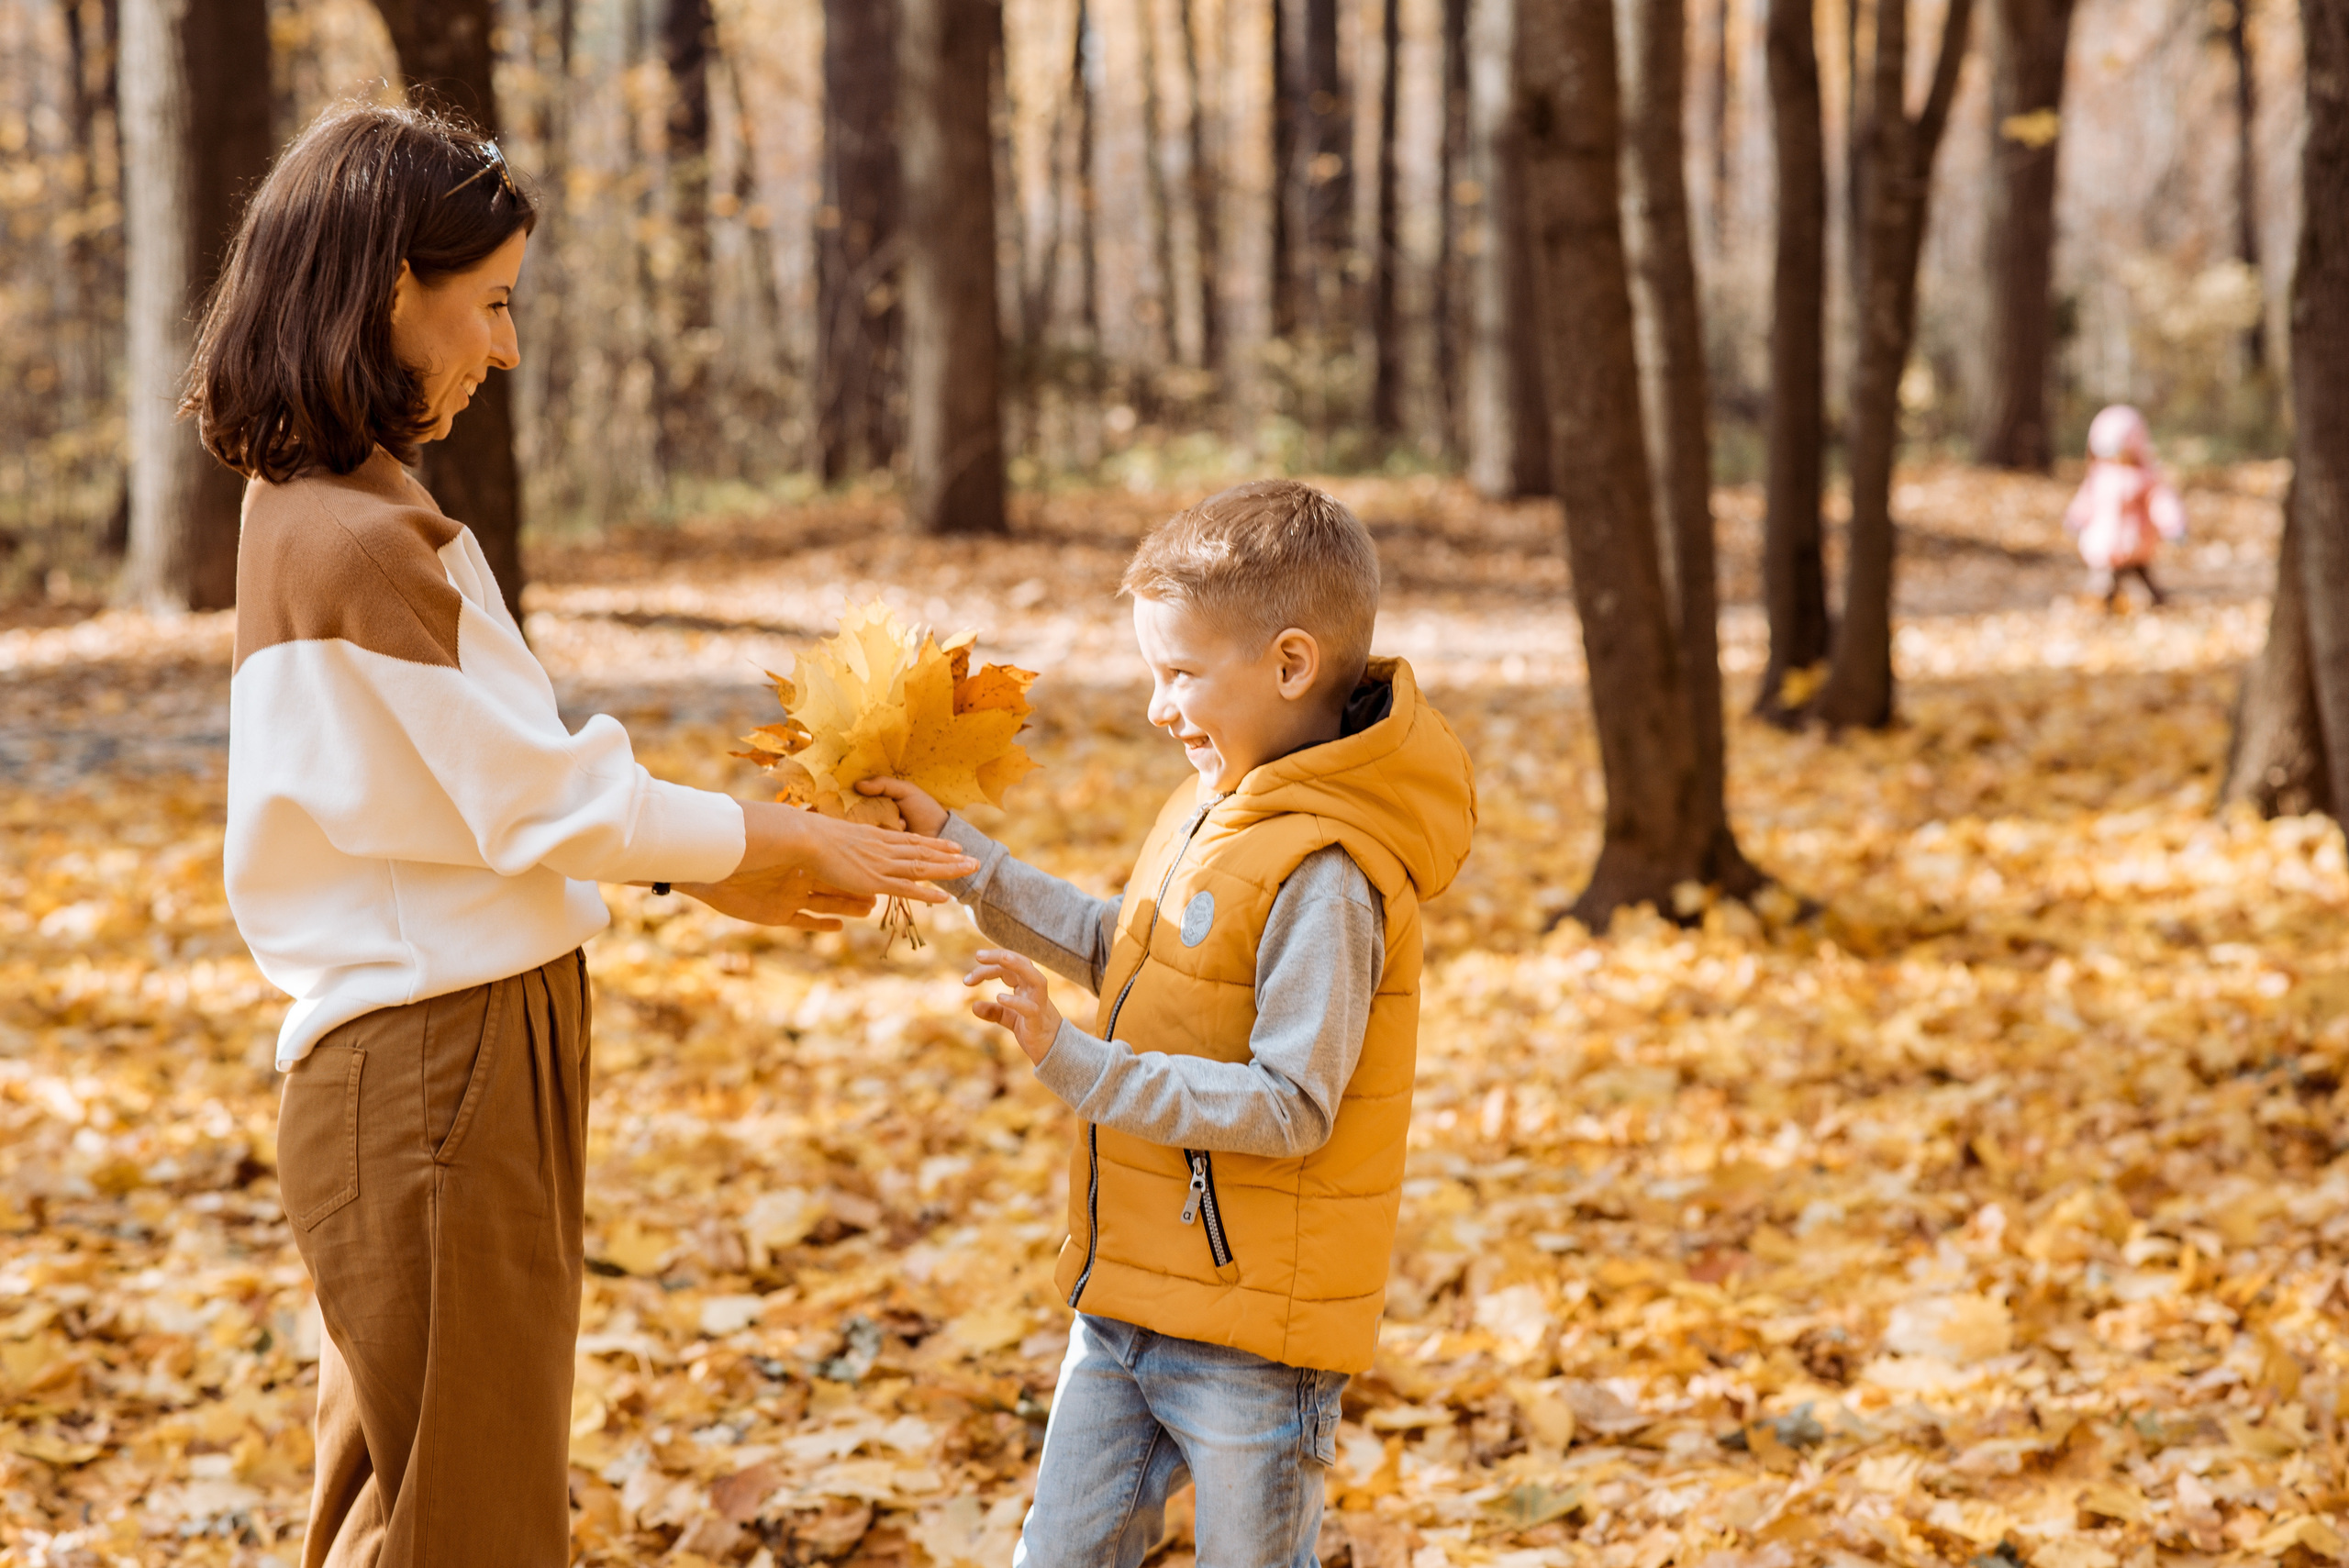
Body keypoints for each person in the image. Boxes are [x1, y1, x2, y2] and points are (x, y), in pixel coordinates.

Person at [183, 103, 976, 1566]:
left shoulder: (339, 510)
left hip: (449, 1050)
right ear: (383, 290)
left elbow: (476, 803)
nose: (507, 346)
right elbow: (535, 796)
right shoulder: (356, 539)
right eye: (489, 304)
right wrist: (766, 842)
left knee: (413, 1502)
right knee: (463, 1521)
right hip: (436, 1065)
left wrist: (705, 863)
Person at [863, 481, 1477, 1566]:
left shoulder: (1326, 875)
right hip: (1126, 1302)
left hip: (1253, 1338)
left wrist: (1076, 1061)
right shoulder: (1213, 804)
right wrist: (961, 853)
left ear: (1290, 666)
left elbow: (1291, 1104)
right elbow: (1123, 943)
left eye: (1180, 672)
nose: (1157, 704)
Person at [2064, 404, 2187, 609]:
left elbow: (2162, 503)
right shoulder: (2099, 476)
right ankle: (2102, 606)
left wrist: (2174, 526)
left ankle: (2158, 603)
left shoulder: (2145, 478)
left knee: (2144, 577)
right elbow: (2085, 501)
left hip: (2135, 544)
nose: (2113, 457)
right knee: (2103, 580)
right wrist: (2075, 520)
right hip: (2105, 543)